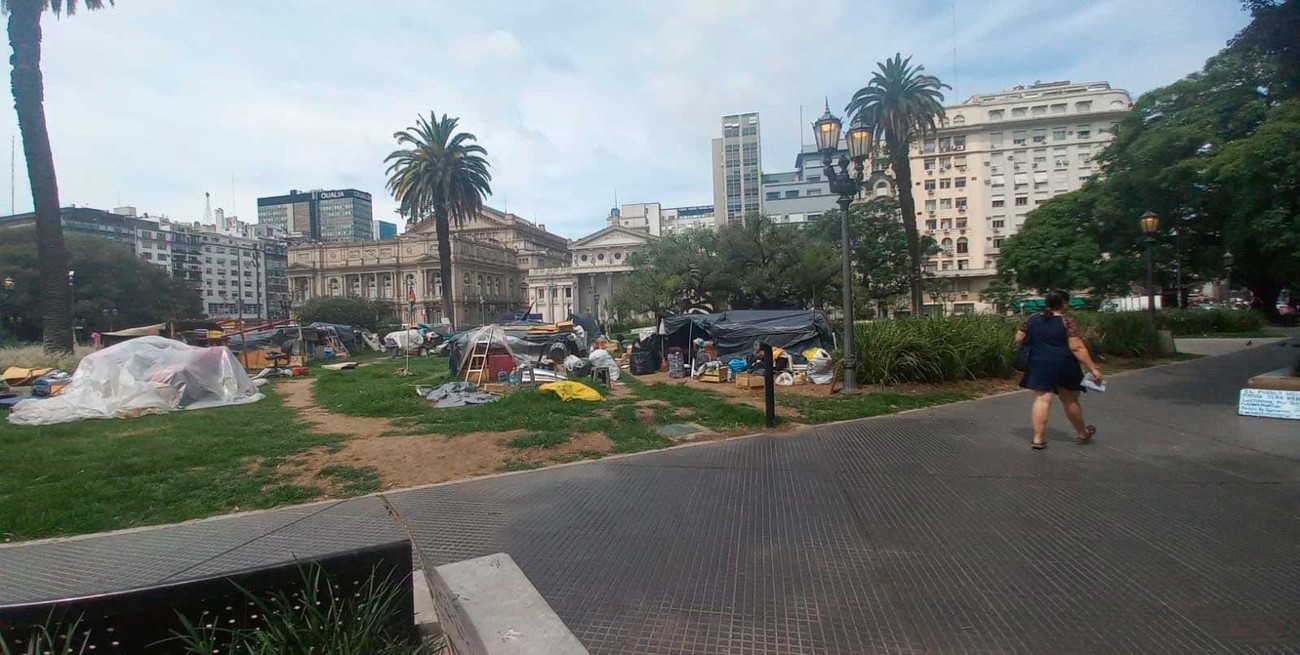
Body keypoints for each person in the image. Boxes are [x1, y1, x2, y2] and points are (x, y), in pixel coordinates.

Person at [1015, 290, 1103, 450]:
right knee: (1069, 400)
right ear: (1063, 304)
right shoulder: (1067, 321)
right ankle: (1082, 433)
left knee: (1042, 399)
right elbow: (1076, 347)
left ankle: (1038, 438)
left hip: (1039, 363)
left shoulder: (1032, 319)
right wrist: (1093, 368)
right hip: (1064, 364)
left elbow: (1019, 337)